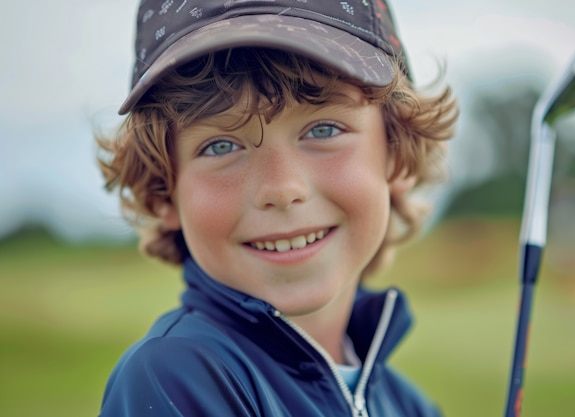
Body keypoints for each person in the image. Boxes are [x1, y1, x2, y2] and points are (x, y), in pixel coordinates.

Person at [97, 1, 457, 416]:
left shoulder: (406, 405)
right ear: (165, 191)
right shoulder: (175, 377)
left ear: (397, 155)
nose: (282, 189)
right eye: (221, 145)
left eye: (323, 129)